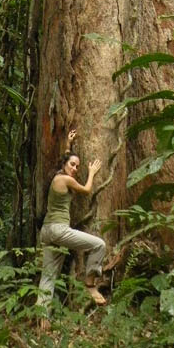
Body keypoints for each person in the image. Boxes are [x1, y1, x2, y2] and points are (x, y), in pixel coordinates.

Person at [36, 129, 107, 314]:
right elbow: (86, 190)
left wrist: (68, 144)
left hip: (46, 232)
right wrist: (91, 172)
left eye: (78, 166)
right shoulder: (66, 180)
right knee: (99, 245)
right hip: (59, 230)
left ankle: (41, 318)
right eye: (73, 165)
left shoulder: (57, 177)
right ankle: (90, 283)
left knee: (48, 277)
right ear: (65, 165)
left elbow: (65, 158)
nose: (75, 169)